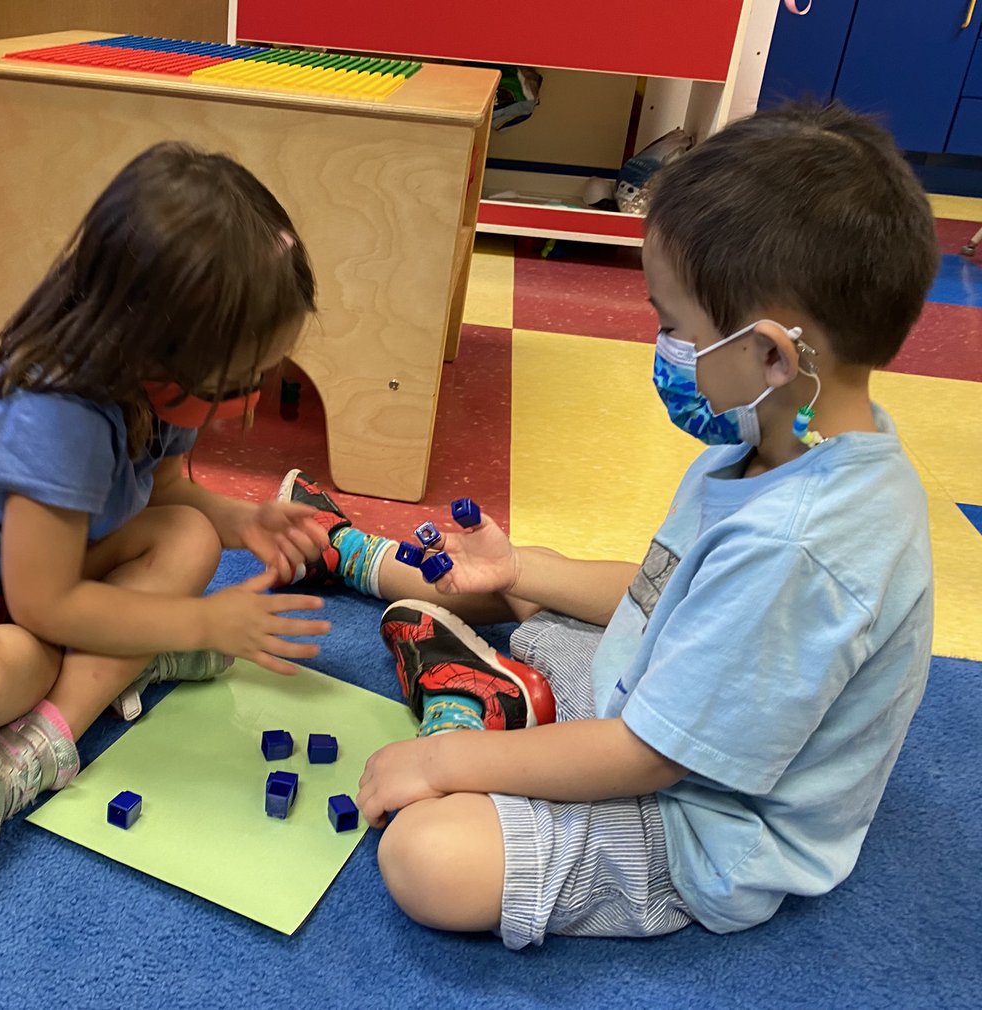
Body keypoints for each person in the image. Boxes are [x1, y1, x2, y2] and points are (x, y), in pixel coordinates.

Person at [277, 102, 940, 948]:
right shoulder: (781, 435)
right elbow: (669, 591)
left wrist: (444, 761)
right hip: (659, 701)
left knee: (429, 857)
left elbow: (652, 757)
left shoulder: (802, 543)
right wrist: (522, 572)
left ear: (772, 354)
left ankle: (471, 706)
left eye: (673, 326)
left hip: (704, 820)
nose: (661, 346)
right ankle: (351, 555)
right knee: (524, 578)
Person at [0, 142, 333, 869]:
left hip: (31, 571)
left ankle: (40, 740)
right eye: (236, 383)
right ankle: (118, 655)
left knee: (189, 537)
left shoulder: (160, 388)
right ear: (148, 352)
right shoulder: (57, 410)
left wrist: (245, 521)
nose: (246, 404)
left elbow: (167, 494)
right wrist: (198, 622)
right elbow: (47, 604)